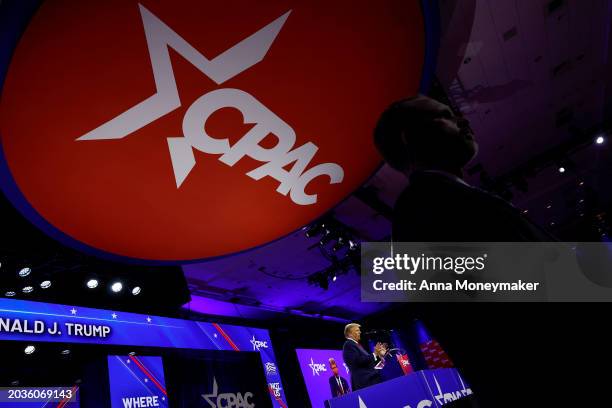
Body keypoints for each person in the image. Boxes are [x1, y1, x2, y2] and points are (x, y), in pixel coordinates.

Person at [373, 94, 556, 242]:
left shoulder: (435, 200)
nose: (463, 121)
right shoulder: (425, 209)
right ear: (411, 136)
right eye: (444, 116)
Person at [342, 323, 387, 391]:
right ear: (350, 334)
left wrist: (379, 356)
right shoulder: (349, 344)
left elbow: (369, 363)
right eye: (357, 330)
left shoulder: (357, 345)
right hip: (364, 383)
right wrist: (374, 354)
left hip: (371, 380)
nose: (360, 332)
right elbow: (358, 361)